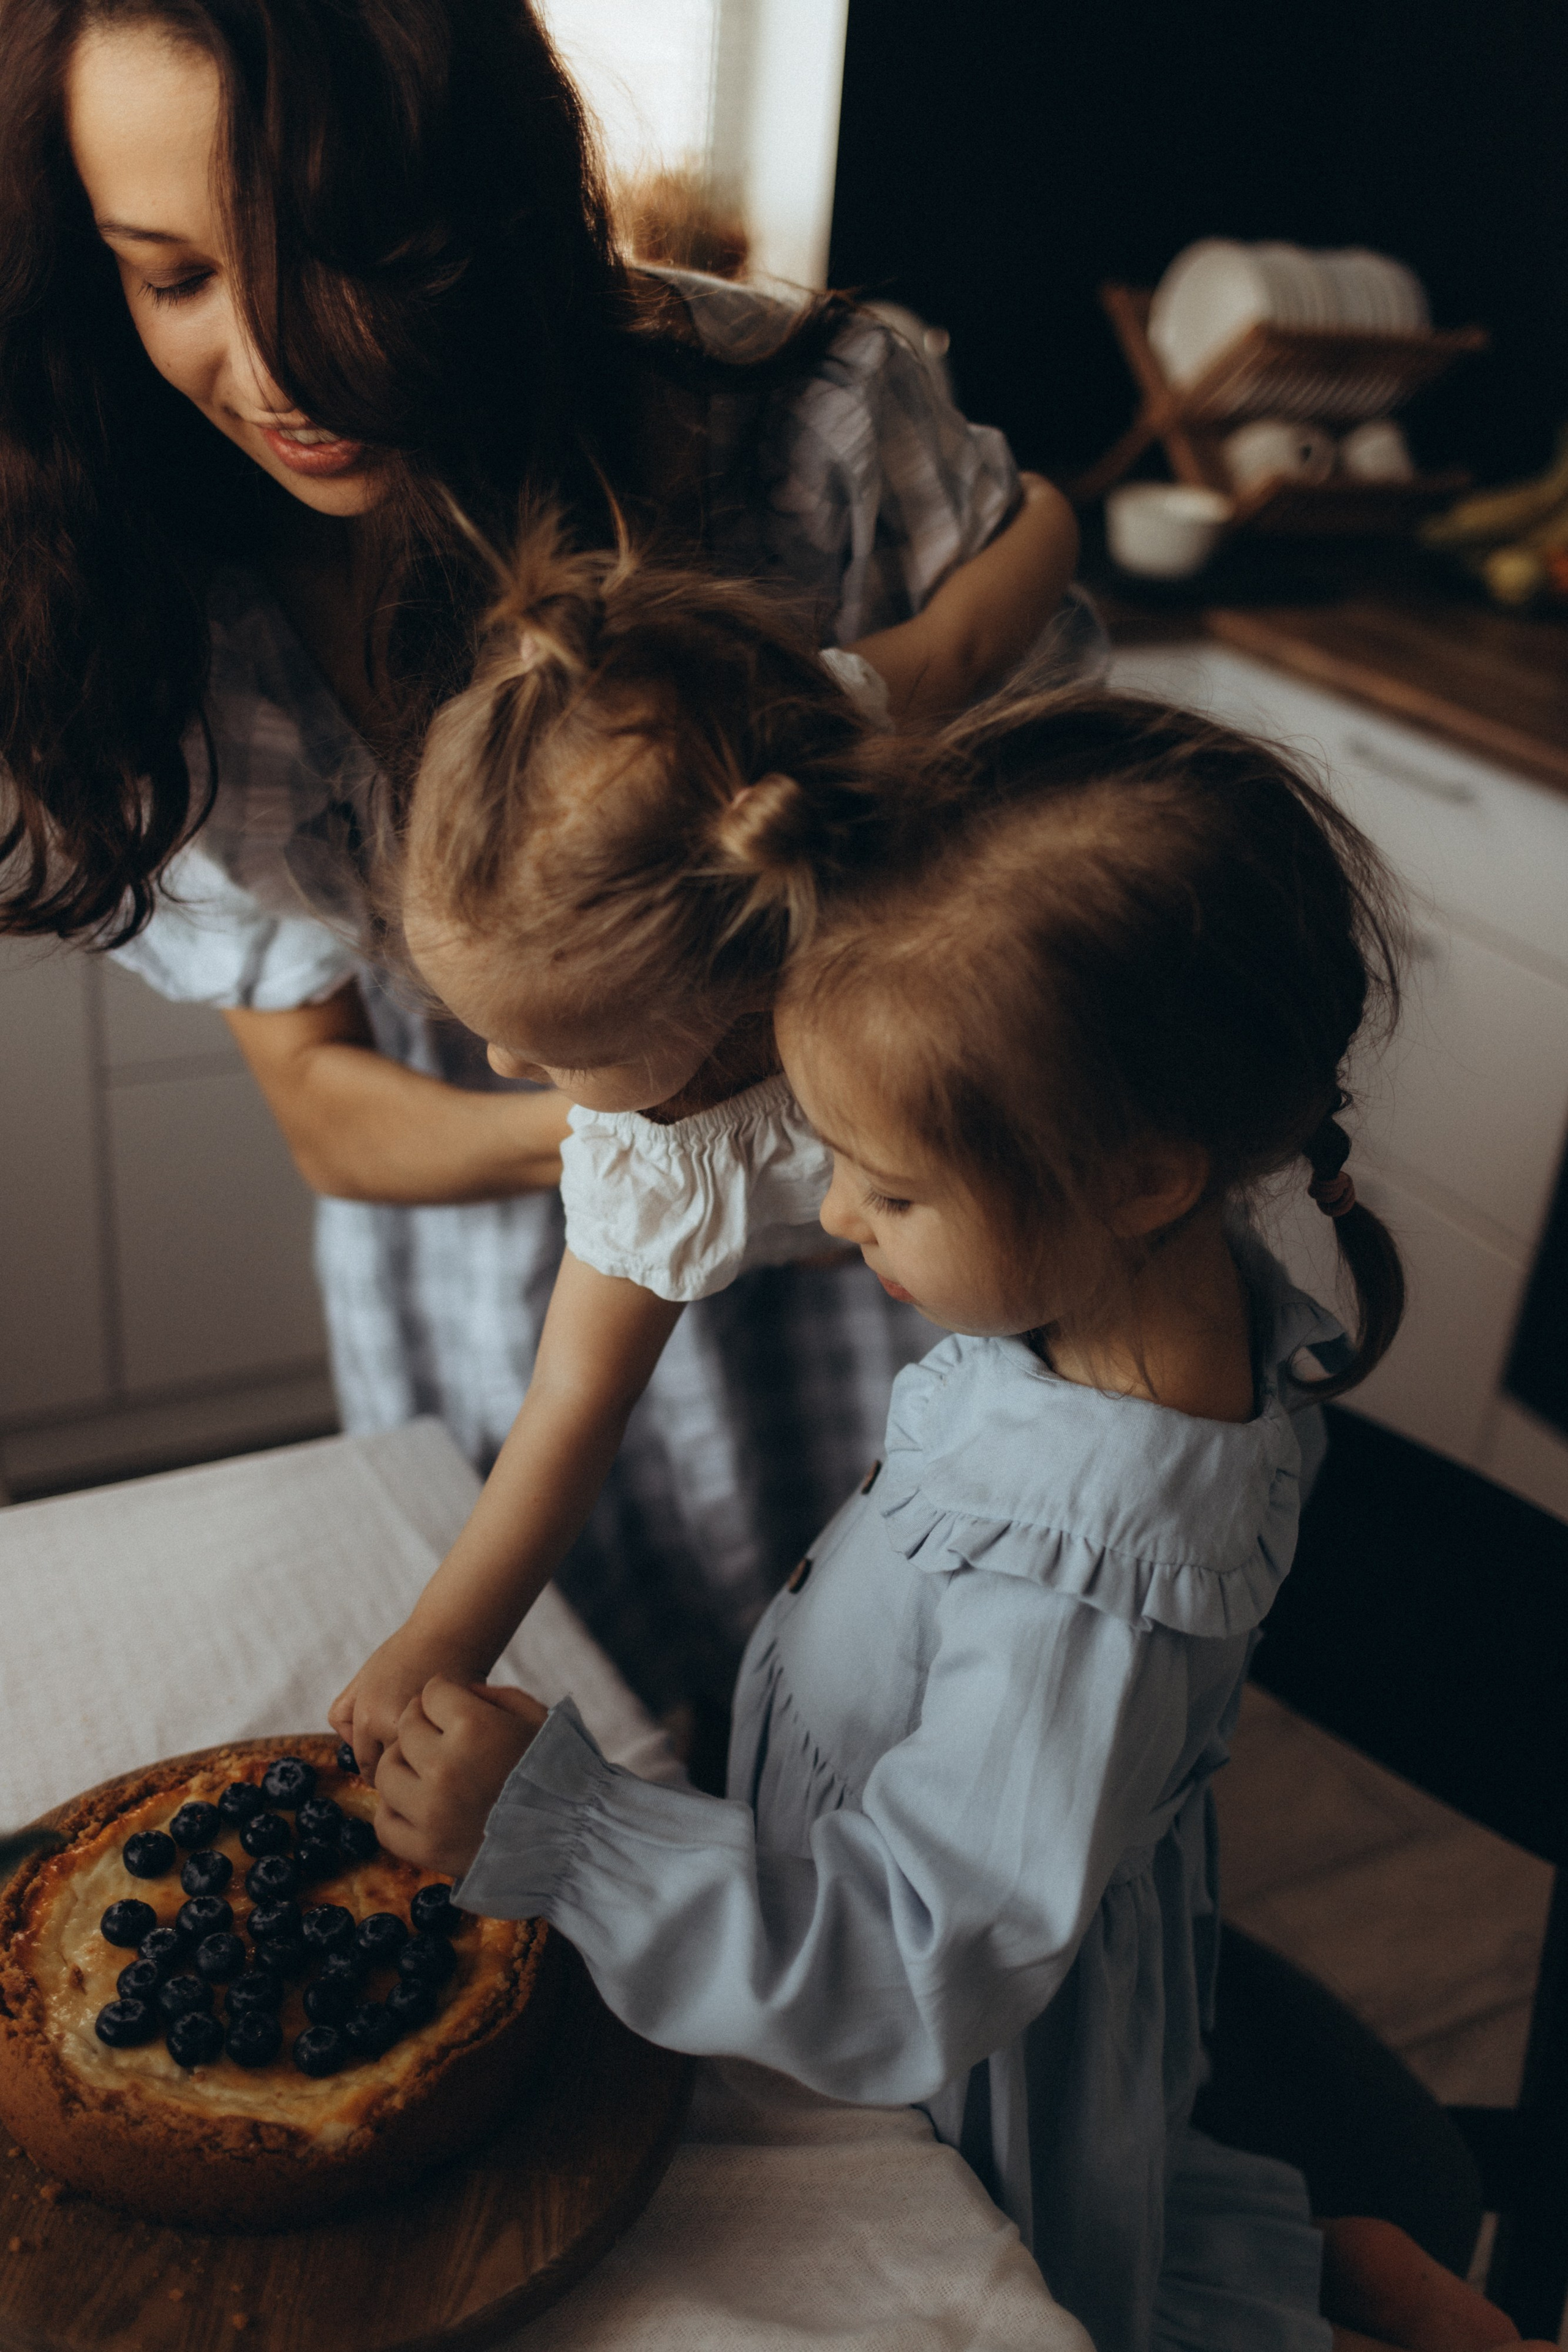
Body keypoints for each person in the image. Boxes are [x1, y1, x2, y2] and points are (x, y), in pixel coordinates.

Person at [371, 693, 1551, 2351]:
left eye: (889, 1186)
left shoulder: (1093, 1588)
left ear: (1142, 1171)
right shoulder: (1145, 1289)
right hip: (946, 1956)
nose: (838, 1212)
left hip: (959, 2082)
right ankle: (1351, 2279)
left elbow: (915, 1963)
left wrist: (575, 1835)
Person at [0, 0, 1087, 1722]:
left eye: (339, 250)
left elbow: (1044, 563)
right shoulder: (135, 584)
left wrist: (898, 693)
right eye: (174, 278)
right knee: (604, 1773)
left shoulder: (798, 419)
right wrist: (659, 1137)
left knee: (917, 1736)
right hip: (484, 1283)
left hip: (908, 1249)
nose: (275, 373)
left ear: (479, 201)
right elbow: (332, 1114)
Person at [330, 498, 1075, 1767]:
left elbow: (957, 641)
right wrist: (437, 1641)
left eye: (564, 1051)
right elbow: (573, 1400)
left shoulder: (796, 789)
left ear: (736, 981)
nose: (516, 1075)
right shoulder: (658, 1157)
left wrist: (1047, 515)